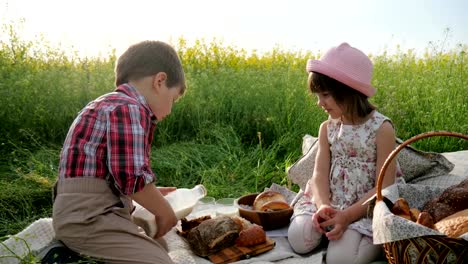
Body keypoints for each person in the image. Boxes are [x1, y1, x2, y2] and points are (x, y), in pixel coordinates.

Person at [52, 40, 186, 264]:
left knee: (160, 243)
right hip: (89, 219)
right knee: (160, 260)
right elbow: (131, 177)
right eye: (173, 99)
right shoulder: (129, 108)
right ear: (160, 81)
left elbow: (115, 175)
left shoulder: (110, 104)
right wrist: (165, 211)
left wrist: (151, 194)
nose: (170, 109)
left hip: (91, 211)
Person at [287, 43, 398, 264]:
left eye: (326, 95)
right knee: (298, 239)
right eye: (318, 96)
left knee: (341, 259)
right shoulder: (327, 128)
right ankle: (331, 230)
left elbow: (384, 187)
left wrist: (346, 217)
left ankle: (360, 239)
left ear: (348, 91)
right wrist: (323, 206)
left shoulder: (382, 129)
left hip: (364, 207)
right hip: (331, 200)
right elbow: (319, 174)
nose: (319, 103)